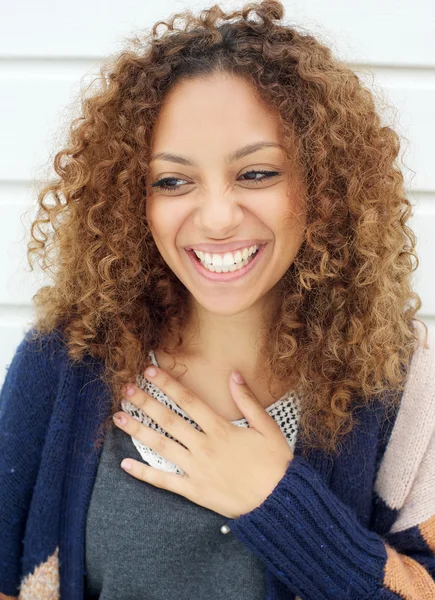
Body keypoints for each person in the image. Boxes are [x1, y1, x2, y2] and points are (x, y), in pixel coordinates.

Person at [1, 0, 434, 598]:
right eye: (173, 181)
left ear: (324, 186)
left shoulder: (401, 381)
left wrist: (276, 501)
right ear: (135, 199)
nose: (217, 218)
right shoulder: (65, 362)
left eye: (256, 174)